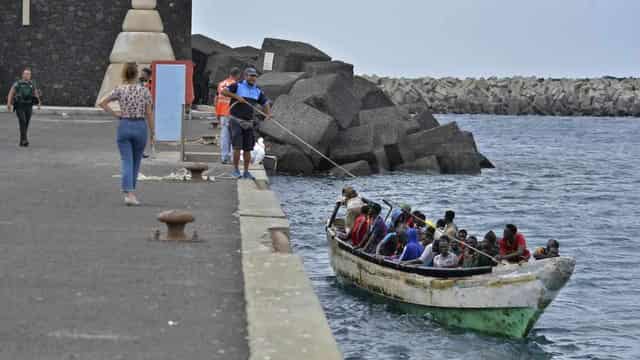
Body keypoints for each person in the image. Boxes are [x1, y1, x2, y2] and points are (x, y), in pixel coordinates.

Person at [99, 63, 154, 206]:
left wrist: (116, 113)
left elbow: (102, 103)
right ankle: (131, 192)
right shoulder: (145, 91)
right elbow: (149, 113)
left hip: (124, 124)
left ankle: (129, 192)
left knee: (126, 160)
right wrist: (153, 131)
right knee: (136, 161)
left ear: (124, 74)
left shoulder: (120, 89)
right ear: (137, 75)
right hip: (140, 126)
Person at [221, 67, 271, 179]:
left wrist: (268, 114)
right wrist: (237, 97)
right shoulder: (237, 85)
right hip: (235, 120)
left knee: (248, 148)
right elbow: (223, 91)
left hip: (249, 122)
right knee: (237, 147)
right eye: (251, 75)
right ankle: (235, 170)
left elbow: (265, 102)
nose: (253, 78)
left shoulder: (257, 90)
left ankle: (246, 171)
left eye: (255, 76)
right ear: (245, 76)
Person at [7, 68, 41, 147]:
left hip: (29, 106)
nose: (27, 75)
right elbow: (11, 92)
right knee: (22, 121)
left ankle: (22, 141)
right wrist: (9, 103)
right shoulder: (17, 83)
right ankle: (24, 140)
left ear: (30, 76)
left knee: (26, 123)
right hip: (20, 106)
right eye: (25, 74)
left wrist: (39, 102)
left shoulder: (32, 84)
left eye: (28, 74)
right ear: (22, 75)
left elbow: (35, 93)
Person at [215, 68, 241, 164]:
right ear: (237, 75)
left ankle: (224, 157)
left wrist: (217, 113)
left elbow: (217, 99)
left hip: (222, 112)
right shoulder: (237, 85)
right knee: (234, 135)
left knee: (224, 136)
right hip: (232, 112)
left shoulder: (221, 84)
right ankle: (232, 157)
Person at [139, 67, 153, 159]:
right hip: (140, 112)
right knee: (141, 134)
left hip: (141, 111)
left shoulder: (146, 83)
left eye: (143, 73)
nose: (142, 75)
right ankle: (140, 152)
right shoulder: (141, 83)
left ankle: (140, 151)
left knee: (141, 134)